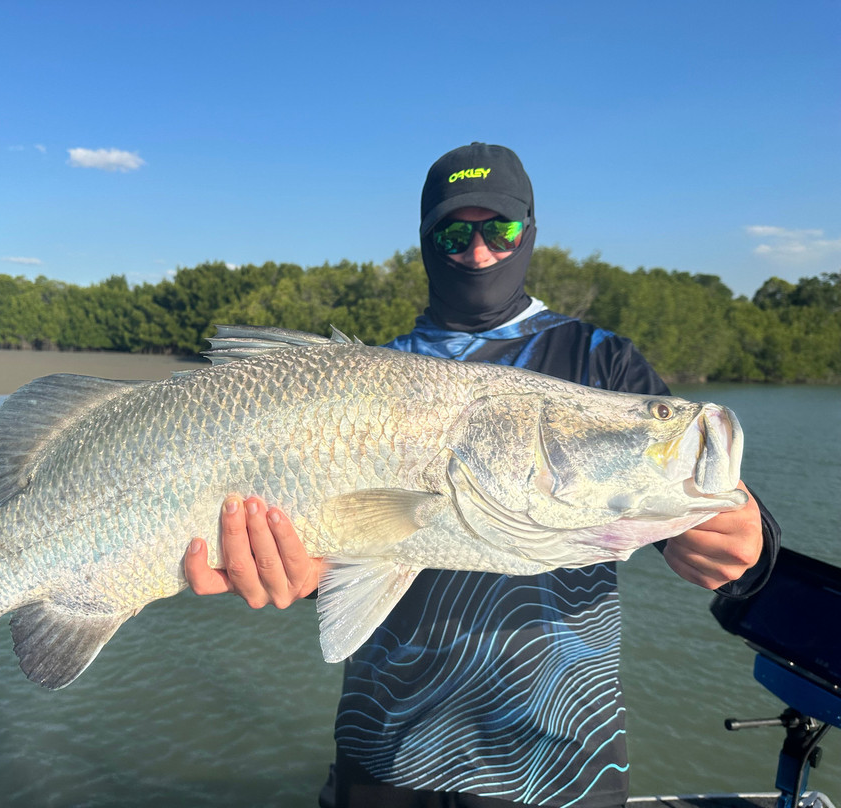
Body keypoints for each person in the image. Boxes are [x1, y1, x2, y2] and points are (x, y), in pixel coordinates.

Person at [184, 143, 780, 808]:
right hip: (381, 752)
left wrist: (749, 546)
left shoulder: (602, 363)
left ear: (528, 233)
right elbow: (340, 560)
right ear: (425, 240)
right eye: (453, 231)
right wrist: (288, 571)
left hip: (560, 763)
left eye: (499, 229)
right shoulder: (366, 374)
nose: (478, 252)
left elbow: (709, 535)